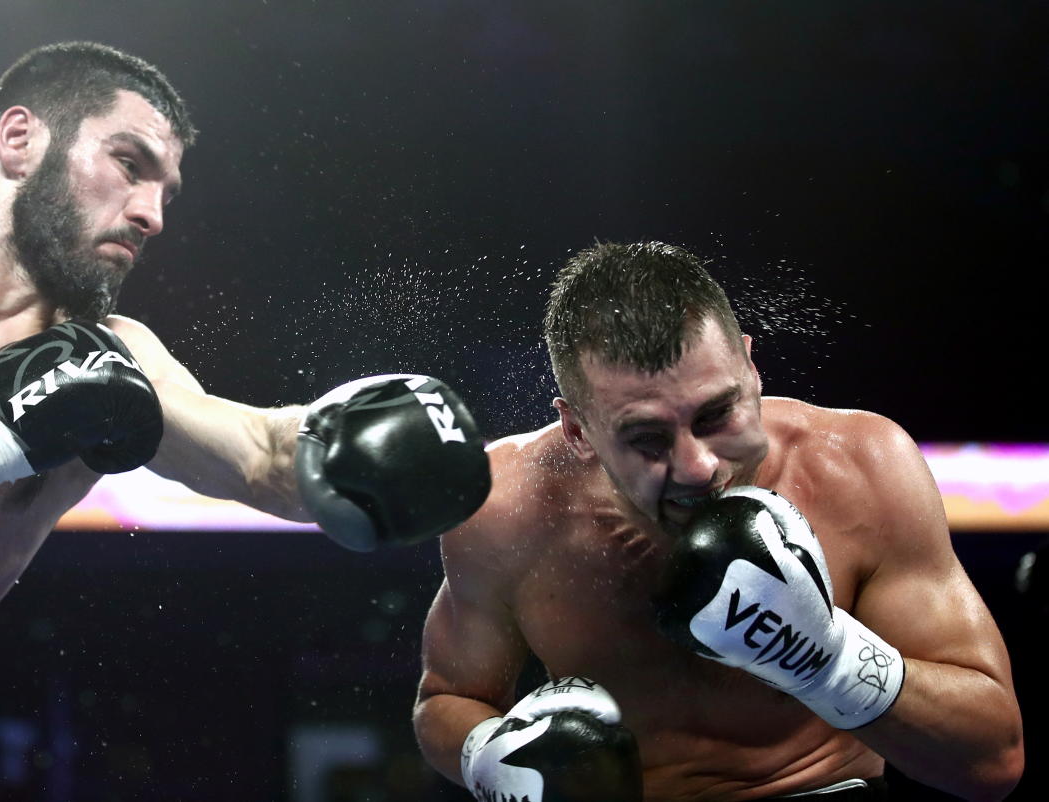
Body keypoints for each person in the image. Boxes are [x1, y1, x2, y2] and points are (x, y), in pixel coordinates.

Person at [0, 42, 490, 801]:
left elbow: (262, 455)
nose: (152, 214)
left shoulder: (113, 359)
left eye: (168, 190)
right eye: (131, 164)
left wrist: (380, 445)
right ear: (20, 140)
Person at [413, 241, 1024, 801]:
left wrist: (826, 660)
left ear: (751, 369)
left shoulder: (860, 467)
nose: (699, 467)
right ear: (578, 430)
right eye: (647, 438)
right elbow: (449, 698)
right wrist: (489, 759)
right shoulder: (506, 510)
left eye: (716, 415)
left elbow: (991, 761)